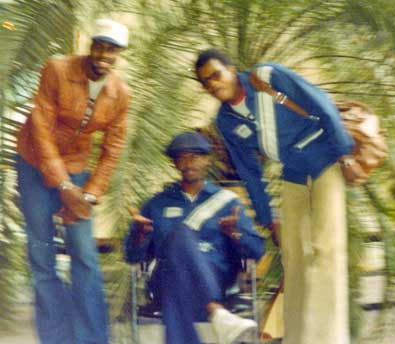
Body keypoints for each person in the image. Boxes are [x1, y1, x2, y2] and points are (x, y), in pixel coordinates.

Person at [194, 49, 365, 344]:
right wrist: (267, 218)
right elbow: (250, 172)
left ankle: (328, 338)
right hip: (293, 173)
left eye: (215, 75)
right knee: (293, 256)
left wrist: (345, 155)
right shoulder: (225, 121)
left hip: (324, 161)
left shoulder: (267, 76)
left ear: (232, 69)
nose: (212, 84)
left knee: (326, 251)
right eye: (204, 82)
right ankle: (298, 337)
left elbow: (321, 103)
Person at [16, 19, 130, 344]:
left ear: (119, 54)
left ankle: (92, 338)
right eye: (100, 46)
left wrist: (89, 196)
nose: (104, 55)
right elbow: (39, 126)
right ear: (90, 45)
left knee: (85, 255)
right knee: (41, 253)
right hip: (34, 163)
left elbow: (112, 151)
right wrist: (64, 186)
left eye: (113, 50)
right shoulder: (57, 69)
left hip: (77, 168)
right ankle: (55, 337)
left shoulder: (120, 94)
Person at [124, 131, 266, 344]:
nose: (188, 163)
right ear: (175, 164)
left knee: (176, 286)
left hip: (216, 276)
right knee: (180, 237)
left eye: (195, 157)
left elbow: (257, 251)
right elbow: (132, 256)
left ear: (208, 160)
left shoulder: (227, 202)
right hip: (163, 278)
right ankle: (215, 311)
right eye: (181, 158)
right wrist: (139, 235)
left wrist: (235, 234)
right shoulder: (157, 204)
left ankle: (215, 313)